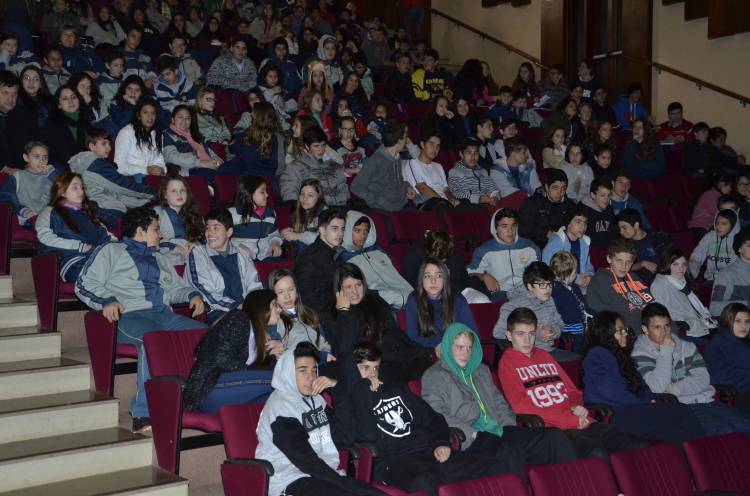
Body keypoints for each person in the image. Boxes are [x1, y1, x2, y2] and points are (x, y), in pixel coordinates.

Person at [75, 206, 207, 432]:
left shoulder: (160, 257)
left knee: (207, 337)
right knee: (152, 340)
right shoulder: (111, 250)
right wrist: (107, 301)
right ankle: (142, 413)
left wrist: (192, 295)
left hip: (164, 316)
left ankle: (199, 400)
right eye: (156, 229)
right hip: (127, 317)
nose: (161, 235)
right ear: (140, 231)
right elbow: (84, 284)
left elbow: (175, 289)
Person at [348, 342, 508, 495]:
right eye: (365, 368)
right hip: (394, 462)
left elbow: (433, 418)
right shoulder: (350, 402)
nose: (372, 374)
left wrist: (441, 443)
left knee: (494, 467)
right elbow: (367, 435)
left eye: (375, 368)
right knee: (424, 481)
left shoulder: (397, 390)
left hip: (428, 452)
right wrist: (362, 390)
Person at [421, 323, 579, 478]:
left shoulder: (481, 370)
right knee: (508, 450)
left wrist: (508, 426)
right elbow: (436, 415)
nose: (466, 353)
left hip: (499, 430)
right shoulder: (434, 376)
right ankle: (522, 488)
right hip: (472, 436)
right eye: (460, 347)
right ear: (448, 347)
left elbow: (499, 403)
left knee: (553, 437)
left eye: (469, 348)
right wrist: (472, 433)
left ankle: (572, 486)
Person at [499, 307, 647, 458]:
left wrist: (576, 406)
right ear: (509, 335)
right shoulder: (507, 363)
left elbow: (572, 391)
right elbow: (522, 407)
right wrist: (569, 421)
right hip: (555, 430)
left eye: (531, 334)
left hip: (580, 421)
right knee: (597, 453)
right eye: (520, 334)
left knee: (635, 446)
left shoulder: (544, 356)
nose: (527, 340)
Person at [255, 343, 383, 496]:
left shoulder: (316, 400)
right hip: (289, 481)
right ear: (288, 372)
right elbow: (305, 459)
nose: (311, 377)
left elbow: (344, 437)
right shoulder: (280, 407)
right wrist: (341, 482)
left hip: (321, 476)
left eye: (314, 370)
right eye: (303, 371)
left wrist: (338, 391)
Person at [581, 311, 705, 444]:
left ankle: (697, 454)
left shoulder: (621, 354)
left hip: (634, 411)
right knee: (681, 411)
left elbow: (641, 384)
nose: (625, 333)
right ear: (606, 332)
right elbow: (611, 391)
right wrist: (643, 403)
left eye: (625, 329)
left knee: (676, 434)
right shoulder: (597, 354)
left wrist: (650, 399)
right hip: (616, 414)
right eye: (620, 330)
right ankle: (704, 449)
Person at [632, 303, 750, 436]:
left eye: (667, 326)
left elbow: (704, 380)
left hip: (708, 400)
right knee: (729, 436)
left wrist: (674, 388)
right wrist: (666, 351)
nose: (664, 332)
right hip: (683, 409)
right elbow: (657, 388)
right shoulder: (639, 354)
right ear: (645, 329)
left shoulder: (687, 347)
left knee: (746, 427)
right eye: (657, 327)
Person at [183, 289, 279, 412]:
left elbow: (264, 371)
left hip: (234, 390)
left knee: (278, 398)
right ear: (261, 305)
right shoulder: (239, 318)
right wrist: (251, 371)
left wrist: (277, 357)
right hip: (209, 388)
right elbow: (220, 357)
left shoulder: (261, 336)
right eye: (275, 305)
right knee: (282, 380)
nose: (279, 310)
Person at [184, 207, 262, 324]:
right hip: (218, 311)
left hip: (245, 310)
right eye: (207, 228)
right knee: (241, 324)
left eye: (215, 228)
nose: (209, 233)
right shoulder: (198, 253)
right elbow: (205, 291)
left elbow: (254, 286)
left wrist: (253, 306)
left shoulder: (241, 254)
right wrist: (237, 306)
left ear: (229, 232)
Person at [35, 171, 117, 282]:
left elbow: (107, 236)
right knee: (112, 273)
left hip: (98, 257)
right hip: (73, 261)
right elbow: (44, 239)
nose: (81, 191)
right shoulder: (49, 212)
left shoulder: (88, 213)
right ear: (62, 192)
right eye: (75, 188)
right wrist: (80, 246)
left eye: (82, 187)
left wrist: (116, 248)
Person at [493, 261, 577, 362]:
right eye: (542, 284)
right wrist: (537, 334)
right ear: (530, 286)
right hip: (526, 354)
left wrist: (552, 331)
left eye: (550, 284)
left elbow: (560, 323)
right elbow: (498, 332)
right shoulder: (513, 306)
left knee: (579, 362)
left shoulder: (549, 300)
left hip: (548, 351)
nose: (548, 289)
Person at [68, 128, 154, 225]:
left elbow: (114, 192)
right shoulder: (97, 165)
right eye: (104, 144)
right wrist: (151, 193)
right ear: (92, 146)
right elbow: (123, 185)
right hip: (106, 211)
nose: (109, 148)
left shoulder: (85, 163)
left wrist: (141, 202)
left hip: (99, 208)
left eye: (109, 144)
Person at [340, 211, 412, 308]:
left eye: (366, 231)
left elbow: (394, 275)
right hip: (378, 303)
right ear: (347, 231)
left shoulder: (377, 250)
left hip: (403, 294)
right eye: (357, 231)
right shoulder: (344, 259)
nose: (363, 236)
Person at [404, 258, 476, 351]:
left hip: (457, 351)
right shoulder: (414, 300)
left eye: (438, 275)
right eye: (427, 276)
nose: (433, 281)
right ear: (421, 280)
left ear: (445, 279)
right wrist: (437, 344)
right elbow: (412, 338)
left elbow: (473, 335)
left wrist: (453, 345)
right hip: (427, 352)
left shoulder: (457, 299)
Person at [469, 208, 540, 301]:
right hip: (500, 294)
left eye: (513, 225)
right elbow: (469, 273)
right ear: (495, 229)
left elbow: (537, 274)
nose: (510, 231)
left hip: (526, 292)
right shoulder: (484, 251)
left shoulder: (530, 247)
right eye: (504, 226)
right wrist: (483, 276)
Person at [586, 237, 655, 331]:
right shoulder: (600, 281)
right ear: (609, 259)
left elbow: (652, 305)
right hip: (631, 332)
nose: (624, 266)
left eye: (628, 262)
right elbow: (608, 318)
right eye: (619, 261)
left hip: (654, 326)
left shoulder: (634, 276)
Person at [401, 230, 488, 304]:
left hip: (456, 289)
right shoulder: (415, 252)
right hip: (428, 293)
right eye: (440, 259)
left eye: (445, 258)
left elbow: (462, 276)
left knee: (481, 300)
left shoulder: (448, 247)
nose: (443, 261)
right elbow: (410, 280)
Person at [651, 247, 717, 339]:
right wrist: (684, 325)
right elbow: (661, 315)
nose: (681, 268)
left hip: (701, 323)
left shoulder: (682, 280)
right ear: (667, 265)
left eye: (684, 264)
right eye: (675, 264)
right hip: (684, 331)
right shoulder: (660, 283)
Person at [351, 120, 416, 212]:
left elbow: (397, 182)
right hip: (382, 210)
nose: (407, 140)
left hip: (399, 205)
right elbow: (356, 187)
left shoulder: (396, 158)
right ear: (399, 140)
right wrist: (378, 200)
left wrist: (406, 188)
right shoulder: (375, 160)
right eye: (405, 137)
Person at [269, 268, 332, 360]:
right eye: (281, 292)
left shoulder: (310, 314)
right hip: (297, 365)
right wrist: (322, 357)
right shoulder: (275, 321)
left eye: (290, 289)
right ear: (273, 296)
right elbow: (280, 354)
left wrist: (327, 355)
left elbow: (324, 344)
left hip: (322, 363)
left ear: (297, 292)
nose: (287, 296)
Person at [281, 126, 349, 207]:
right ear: (307, 146)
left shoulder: (334, 164)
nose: (321, 149)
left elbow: (343, 187)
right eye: (316, 146)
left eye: (323, 145)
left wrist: (342, 202)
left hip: (341, 207)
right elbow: (289, 195)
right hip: (314, 209)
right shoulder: (294, 167)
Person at [294, 208, 346, 316]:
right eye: (335, 228)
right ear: (322, 230)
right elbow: (305, 296)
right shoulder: (309, 257)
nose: (340, 234)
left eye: (342, 229)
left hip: (338, 307)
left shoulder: (336, 253)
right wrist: (337, 309)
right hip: (323, 314)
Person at [0, 141, 59, 227]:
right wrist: (22, 210)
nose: (41, 161)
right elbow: (6, 197)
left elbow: (64, 191)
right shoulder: (17, 176)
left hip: (49, 218)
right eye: (36, 157)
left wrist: (53, 175)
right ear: (26, 158)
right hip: (28, 219)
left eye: (45, 157)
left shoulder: (49, 175)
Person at [706, 303, 750, 416]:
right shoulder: (722, 341)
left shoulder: (738, 340)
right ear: (727, 321)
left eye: (747, 321)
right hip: (738, 393)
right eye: (738, 321)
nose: (744, 326)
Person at [402, 129, 460, 210]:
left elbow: (446, 190)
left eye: (438, 146)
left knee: (468, 205)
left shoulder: (438, 166)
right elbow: (422, 188)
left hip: (445, 204)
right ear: (422, 144)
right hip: (431, 204)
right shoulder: (412, 163)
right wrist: (444, 203)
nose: (435, 149)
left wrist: (451, 198)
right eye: (431, 144)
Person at [228, 175, 283, 260]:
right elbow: (221, 238)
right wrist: (238, 246)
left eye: (266, 191)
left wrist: (275, 243)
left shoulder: (270, 214)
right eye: (262, 192)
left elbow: (274, 234)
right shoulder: (232, 213)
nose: (267, 195)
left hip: (266, 257)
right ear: (249, 193)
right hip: (242, 258)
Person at [519, 169, 576, 250]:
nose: (559, 192)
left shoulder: (570, 206)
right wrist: (546, 233)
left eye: (563, 188)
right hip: (536, 246)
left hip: (562, 246)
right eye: (555, 188)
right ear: (546, 187)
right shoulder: (532, 203)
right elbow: (523, 229)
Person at [162, 105, 223, 179]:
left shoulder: (195, 135)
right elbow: (170, 157)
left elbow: (211, 153)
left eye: (188, 118)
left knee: (232, 166)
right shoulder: (168, 134)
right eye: (180, 117)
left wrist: (217, 162)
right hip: (190, 170)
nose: (184, 121)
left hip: (208, 166)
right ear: (173, 119)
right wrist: (200, 163)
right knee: (218, 175)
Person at [542, 205, 594, 288]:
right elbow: (551, 271)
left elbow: (588, 266)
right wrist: (577, 279)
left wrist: (589, 277)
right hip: (560, 286)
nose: (583, 226)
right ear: (568, 223)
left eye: (585, 222)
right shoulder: (556, 242)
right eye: (578, 222)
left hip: (582, 285)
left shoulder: (585, 242)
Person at [114, 98, 166, 178]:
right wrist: (145, 170)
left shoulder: (158, 134)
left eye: (153, 113)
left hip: (151, 177)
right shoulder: (126, 132)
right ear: (138, 115)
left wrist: (161, 169)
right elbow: (119, 167)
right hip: (130, 178)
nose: (150, 116)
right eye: (145, 112)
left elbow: (159, 160)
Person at [40, 85, 90, 166]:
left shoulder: (86, 121)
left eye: (73, 97)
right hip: (62, 168)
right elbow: (53, 156)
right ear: (59, 105)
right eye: (65, 99)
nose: (71, 101)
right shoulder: (51, 125)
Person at [550, 252, 590, 351]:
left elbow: (583, 305)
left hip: (581, 329)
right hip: (570, 335)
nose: (576, 274)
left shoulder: (574, 287)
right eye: (575, 271)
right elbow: (569, 315)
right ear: (569, 273)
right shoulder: (556, 290)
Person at [616, 208, 669, 285]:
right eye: (619, 229)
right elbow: (623, 267)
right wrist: (642, 264)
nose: (621, 232)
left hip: (669, 275)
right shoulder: (624, 244)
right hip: (648, 282)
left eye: (624, 228)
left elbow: (675, 258)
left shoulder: (658, 236)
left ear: (636, 225)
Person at [0, 71, 38, 170]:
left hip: (23, 170)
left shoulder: (24, 115)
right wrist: (4, 169)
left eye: (14, 94)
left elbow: (34, 144)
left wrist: (32, 163)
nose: (10, 98)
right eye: (5, 93)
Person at [689, 208, 739, 282]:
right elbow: (696, 257)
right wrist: (691, 274)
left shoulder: (738, 240)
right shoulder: (710, 236)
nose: (718, 226)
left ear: (733, 226)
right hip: (710, 279)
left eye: (723, 224)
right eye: (717, 223)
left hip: (731, 280)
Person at [710, 227, 750, 316]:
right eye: (749, 245)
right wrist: (746, 304)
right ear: (739, 248)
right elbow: (714, 309)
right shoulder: (726, 274)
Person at [448, 138, 499, 207]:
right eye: (469, 153)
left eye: (476, 153)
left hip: (489, 206)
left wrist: (495, 198)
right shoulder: (454, 172)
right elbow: (455, 194)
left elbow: (494, 189)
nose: (473, 157)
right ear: (461, 154)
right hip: (470, 208)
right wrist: (479, 199)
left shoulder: (483, 171)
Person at [281, 178, 327, 251]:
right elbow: (297, 232)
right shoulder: (299, 211)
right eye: (302, 194)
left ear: (319, 197)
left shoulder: (325, 213)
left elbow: (324, 239)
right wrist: (285, 233)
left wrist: (298, 236)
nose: (305, 198)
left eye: (310, 195)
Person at [581, 178, 616, 247]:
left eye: (609, 195)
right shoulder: (582, 212)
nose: (606, 199)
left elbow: (613, 234)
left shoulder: (609, 209)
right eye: (603, 195)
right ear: (593, 195)